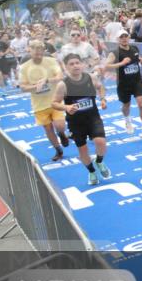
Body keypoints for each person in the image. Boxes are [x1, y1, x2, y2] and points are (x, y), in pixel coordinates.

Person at [52, 53, 110, 186]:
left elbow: (100, 87)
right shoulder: (63, 85)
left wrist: (103, 99)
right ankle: (91, 171)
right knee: (83, 150)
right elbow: (54, 103)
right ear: (66, 67)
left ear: (82, 64)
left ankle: (99, 161)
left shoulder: (90, 77)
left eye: (77, 63)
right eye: (71, 64)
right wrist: (66, 107)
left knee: (100, 142)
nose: (75, 66)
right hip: (76, 123)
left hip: (93, 118)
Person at [17, 40, 69, 161]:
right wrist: (35, 87)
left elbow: (60, 76)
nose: (39, 56)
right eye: (36, 53)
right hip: (39, 104)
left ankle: (62, 134)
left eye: (41, 53)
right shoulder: (24, 67)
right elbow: (23, 87)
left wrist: (47, 80)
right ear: (30, 51)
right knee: (48, 128)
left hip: (54, 100)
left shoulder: (51, 61)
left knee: (59, 125)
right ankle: (58, 150)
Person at [103, 30, 142, 141]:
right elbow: (106, 66)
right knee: (126, 106)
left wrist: (141, 60)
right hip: (123, 84)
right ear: (118, 39)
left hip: (137, 81)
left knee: (141, 104)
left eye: (126, 36)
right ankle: (127, 120)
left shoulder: (134, 48)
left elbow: (136, 58)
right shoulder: (114, 52)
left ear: (129, 37)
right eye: (121, 37)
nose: (124, 38)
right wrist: (122, 63)